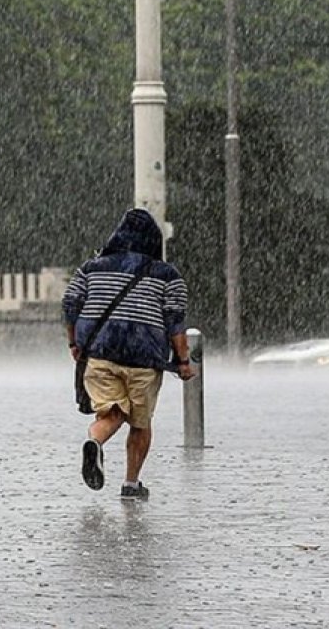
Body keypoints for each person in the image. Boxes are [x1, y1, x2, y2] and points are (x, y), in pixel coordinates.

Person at [63, 209, 196, 500]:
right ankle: (131, 484)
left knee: (112, 412)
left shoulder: (90, 268)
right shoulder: (167, 275)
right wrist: (183, 362)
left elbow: (70, 306)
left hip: (100, 354)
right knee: (140, 422)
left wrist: (74, 344)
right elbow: (175, 323)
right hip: (144, 359)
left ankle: (94, 441)